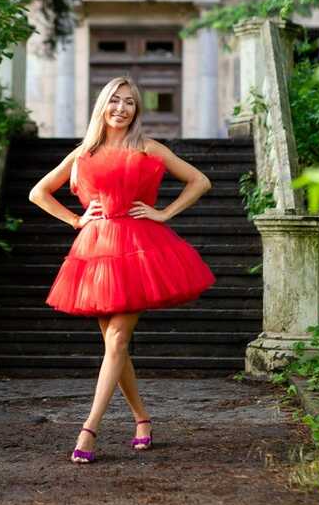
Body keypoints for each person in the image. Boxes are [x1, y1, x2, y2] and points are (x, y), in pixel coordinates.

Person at [28, 76, 216, 463]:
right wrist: (76, 220)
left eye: (129, 102)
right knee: (117, 346)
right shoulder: (84, 153)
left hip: (138, 250)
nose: (121, 108)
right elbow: (38, 192)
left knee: (116, 341)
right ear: (102, 106)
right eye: (114, 100)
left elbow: (200, 181)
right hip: (96, 251)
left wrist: (164, 213)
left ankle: (89, 429)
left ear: (137, 110)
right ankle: (142, 419)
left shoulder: (148, 148)